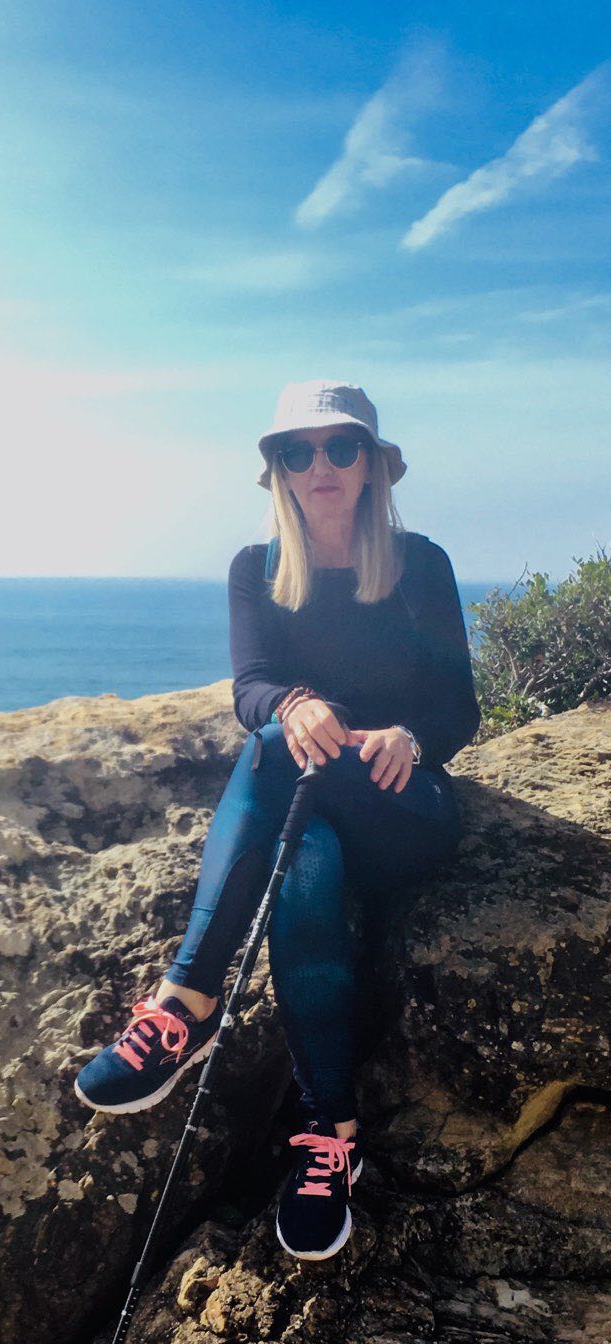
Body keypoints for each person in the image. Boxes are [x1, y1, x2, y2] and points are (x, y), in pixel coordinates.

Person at [75, 379, 481, 1263]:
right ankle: (332, 1135)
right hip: (311, 813)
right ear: (280, 472)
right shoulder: (255, 570)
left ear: (372, 464)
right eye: (298, 451)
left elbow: (459, 707)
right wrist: (293, 704)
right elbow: (251, 688)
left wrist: (409, 738)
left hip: (404, 810)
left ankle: (188, 999)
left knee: (267, 756)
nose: (320, 465)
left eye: (341, 446)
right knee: (302, 867)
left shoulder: (422, 566)